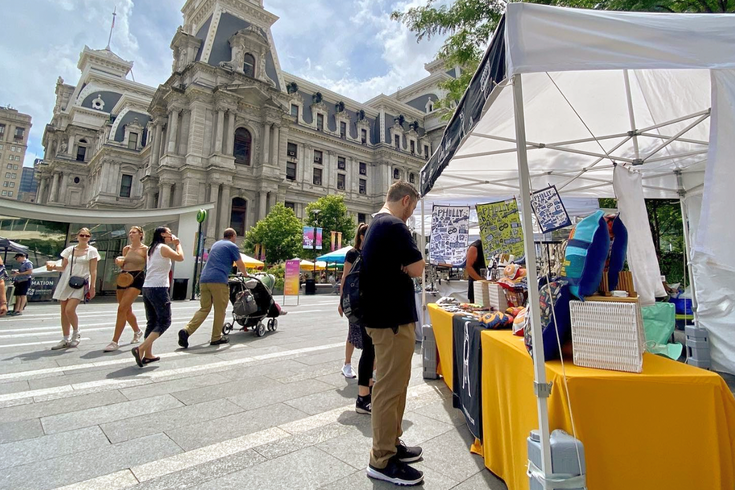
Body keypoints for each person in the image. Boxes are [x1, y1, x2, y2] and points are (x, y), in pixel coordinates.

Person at [361, 181, 425, 486]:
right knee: (389, 388)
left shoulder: (377, 224)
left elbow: (407, 267)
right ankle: (382, 459)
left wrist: (405, 265)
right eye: (412, 208)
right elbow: (418, 268)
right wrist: (407, 264)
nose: (411, 214)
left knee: (396, 384)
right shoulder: (394, 226)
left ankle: (392, 444)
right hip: (391, 320)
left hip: (386, 318)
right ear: (407, 200)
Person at [178, 228, 247, 348]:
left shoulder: (216, 244)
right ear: (232, 236)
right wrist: (245, 274)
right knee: (220, 310)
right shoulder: (232, 246)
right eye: (235, 237)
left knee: (204, 308)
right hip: (219, 280)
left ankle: (186, 330)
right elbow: (240, 263)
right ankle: (216, 338)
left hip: (204, 279)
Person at [131, 227, 184, 367]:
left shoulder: (151, 248)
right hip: (158, 288)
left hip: (147, 287)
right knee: (165, 321)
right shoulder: (163, 248)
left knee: (152, 321)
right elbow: (180, 257)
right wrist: (177, 244)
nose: (171, 234)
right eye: (168, 232)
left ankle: (148, 354)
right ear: (162, 234)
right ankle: (141, 348)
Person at [338, 223, 377, 414]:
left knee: (370, 346)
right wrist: (342, 300)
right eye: (364, 232)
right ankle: (348, 365)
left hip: (368, 304)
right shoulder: (353, 253)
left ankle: (368, 384)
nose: (367, 235)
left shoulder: (371, 251)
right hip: (357, 303)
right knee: (359, 339)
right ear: (360, 236)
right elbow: (345, 277)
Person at [49, 228, 99, 350]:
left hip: (81, 282)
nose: (84, 237)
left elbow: (93, 270)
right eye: (82, 235)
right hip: (67, 281)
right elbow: (63, 267)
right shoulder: (69, 250)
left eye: (87, 236)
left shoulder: (92, 251)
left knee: (69, 310)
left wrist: (92, 286)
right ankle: (65, 338)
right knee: (63, 310)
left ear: (90, 237)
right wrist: (53, 267)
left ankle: (76, 333)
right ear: (77, 236)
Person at [104, 227, 147, 352]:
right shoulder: (126, 248)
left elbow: (148, 265)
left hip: (137, 277)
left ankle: (114, 341)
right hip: (124, 277)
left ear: (140, 234)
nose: (131, 234)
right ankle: (137, 331)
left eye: (133, 232)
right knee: (126, 310)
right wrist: (119, 262)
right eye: (130, 232)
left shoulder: (145, 249)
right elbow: (123, 263)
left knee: (122, 308)